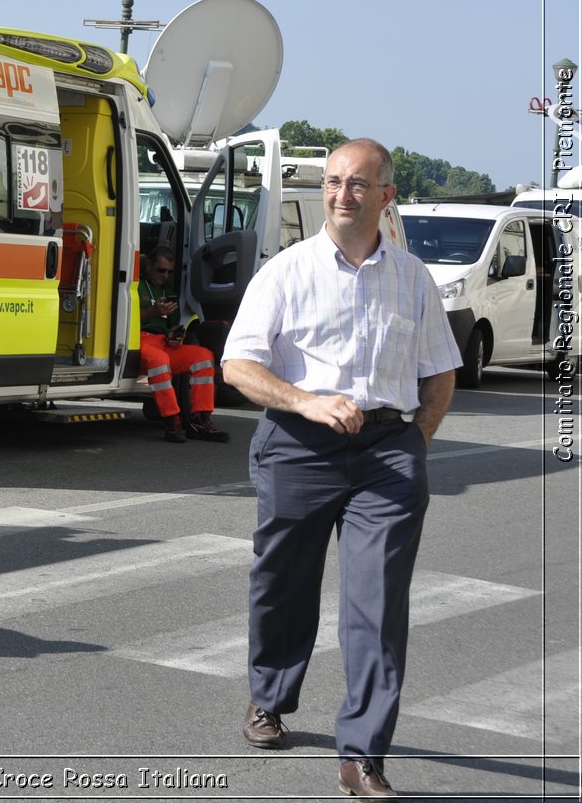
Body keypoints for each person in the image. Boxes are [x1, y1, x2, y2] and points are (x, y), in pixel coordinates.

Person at [222, 138, 459, 799]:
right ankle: (269, 696)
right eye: (332, 182)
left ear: (386, 195)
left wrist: (415, 442)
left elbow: (440, 372)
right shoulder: (288, 271)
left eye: (357, 184)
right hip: (299, 445)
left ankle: (362, 754)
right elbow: (237, 363)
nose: (341, 195)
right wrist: (304, 400)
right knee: (282, 583)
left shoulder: (412, 278)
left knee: (378, 605)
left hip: (387, 452)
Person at [137, 245, 229, 443]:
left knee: (204, 356)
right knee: (159, 360)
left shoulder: (168, 292)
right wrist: (153, 312)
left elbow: (171, 326)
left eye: (169, 272)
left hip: (163, 342)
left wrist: (175, 335)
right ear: (149, 266)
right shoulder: (135, 286)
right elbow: (123, 316)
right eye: (161, 270)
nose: (165, 275)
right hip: (139, 339)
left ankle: (200, 420)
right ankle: (172, 420)